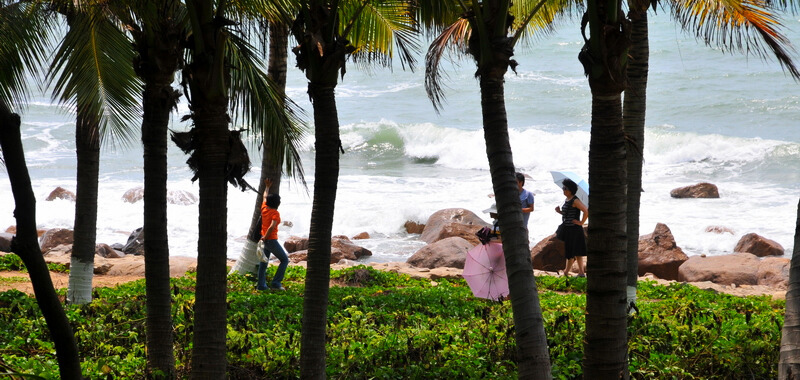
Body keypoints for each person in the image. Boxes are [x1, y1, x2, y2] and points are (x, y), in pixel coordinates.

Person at [256, 179, 289, 291]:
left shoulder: (264, 208)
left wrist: (267, 187)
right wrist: (266, 237)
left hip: (264, 239)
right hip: (270, 240)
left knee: (263, 263)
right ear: (277, 203)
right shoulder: (275, 213)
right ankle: (276, 283)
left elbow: (265, 197)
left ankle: (261, 286)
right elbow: (272, 226)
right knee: (284, 260)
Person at [554, 178, 588, 277]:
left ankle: (565, 272)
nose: (563, 190)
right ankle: (581, 273)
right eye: (563, 188)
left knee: (570, 252)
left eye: (565, 188)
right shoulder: (567, 199)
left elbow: (586, 211)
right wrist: (559, 212)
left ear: (570, 190)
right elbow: (567, 214)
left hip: (574, 229)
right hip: (568, 228)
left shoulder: (575, 200)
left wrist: (581, 222)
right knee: (577, 251)